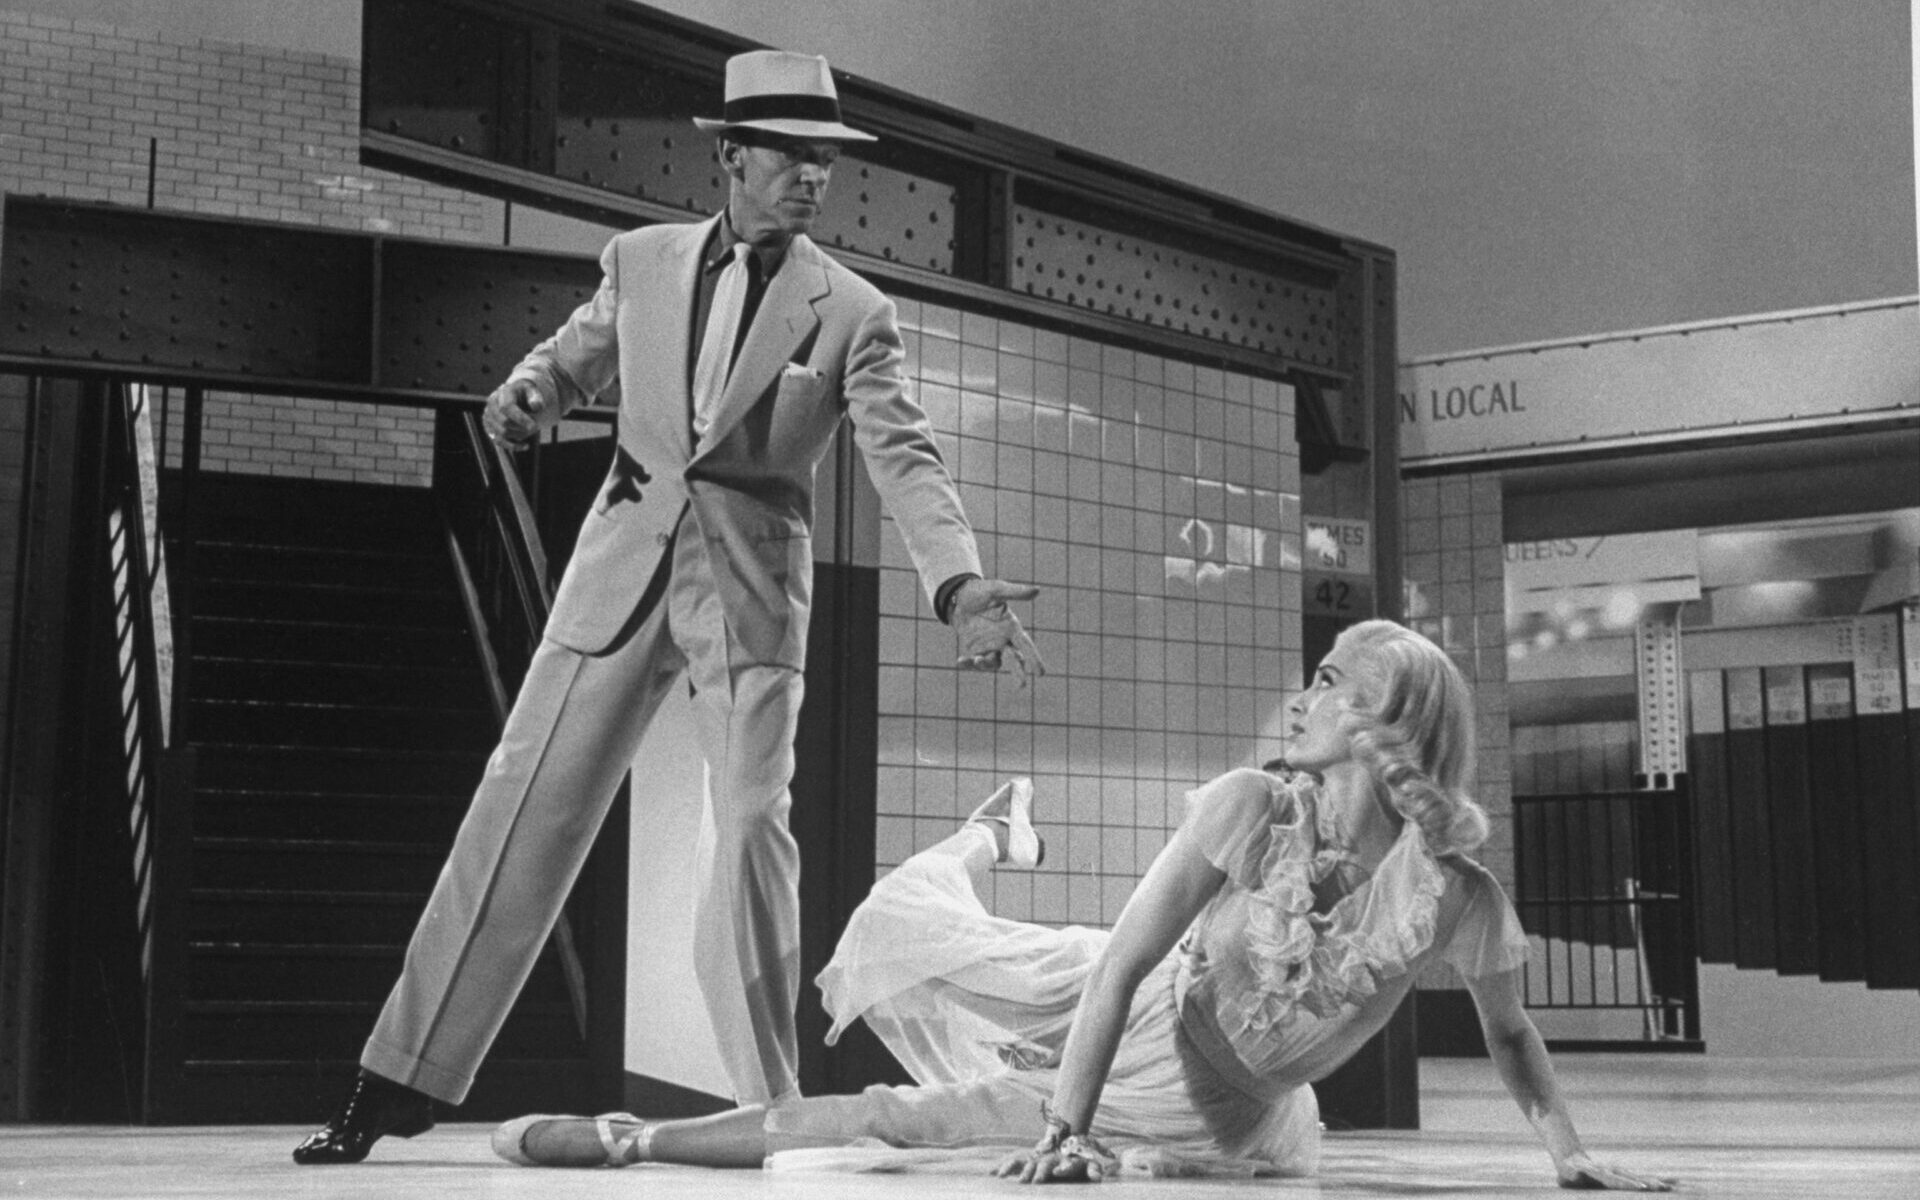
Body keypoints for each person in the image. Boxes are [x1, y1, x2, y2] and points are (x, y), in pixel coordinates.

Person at [292, 49, 1044, 1165]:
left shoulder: (853, 312)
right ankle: (395, 1080)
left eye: (824, 161)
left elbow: (904, 456)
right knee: (518, 808)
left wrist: (960, 582)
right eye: (789, 154)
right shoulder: (639, 262)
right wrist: (530, 396)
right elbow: (575, 357)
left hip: (748, 599)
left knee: (750, 831)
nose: (811, 178)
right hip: (619, 571)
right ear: (732, 155)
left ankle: (770, 1108)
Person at [489, 620, 1673, 1190]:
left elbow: (1513, 1031)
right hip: (1132, 996)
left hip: (1238, 1113)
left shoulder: (1453, 895)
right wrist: (1065, 1128)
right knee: (923, 965)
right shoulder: (1247, 806)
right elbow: (1117, 976)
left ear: (1387, 723)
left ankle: (983, 858)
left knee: (922, 1120)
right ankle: (634, 1138)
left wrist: (1572, 1157)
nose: (1302, 695)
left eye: (1330, 681)